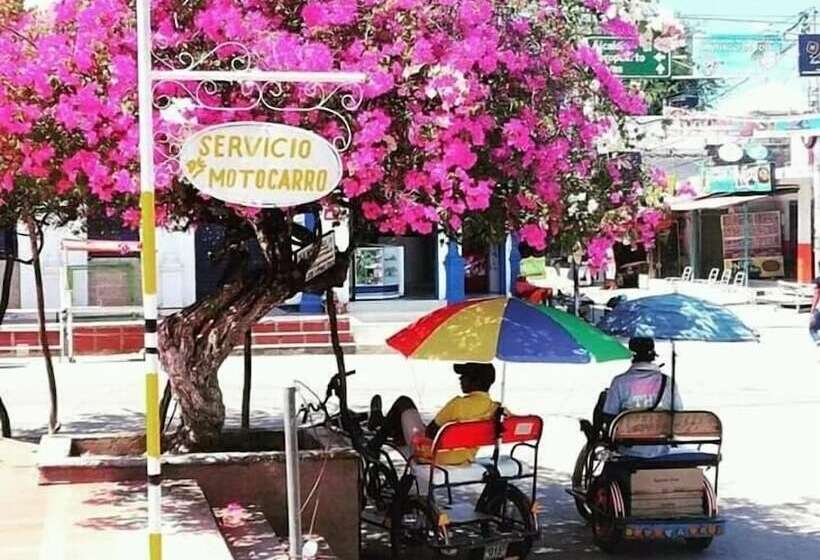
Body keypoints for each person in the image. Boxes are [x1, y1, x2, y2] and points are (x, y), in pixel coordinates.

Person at [366, 362, 498, 465]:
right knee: (406, 423)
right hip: (464, 457)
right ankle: (383, 423)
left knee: (404, 401)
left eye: (464, 376)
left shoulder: (458, 404)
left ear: (476, 382)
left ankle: (375, 443)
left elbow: (430, 432)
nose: (460, 378)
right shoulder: (495, 408)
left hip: (430, 455)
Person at [601, 337, 681, 457]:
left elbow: (609, 415)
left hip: (628, 449)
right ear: (653, 355)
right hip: (661, 448)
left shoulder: (620, 382)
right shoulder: (668, 381)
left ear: (632, 355)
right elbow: (678, 411)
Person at [810, 274, 820, 346]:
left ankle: (817, 340)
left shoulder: (817, 290)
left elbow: (815, 300)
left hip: (818, 310)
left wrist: (812, 311)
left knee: (812, 328)